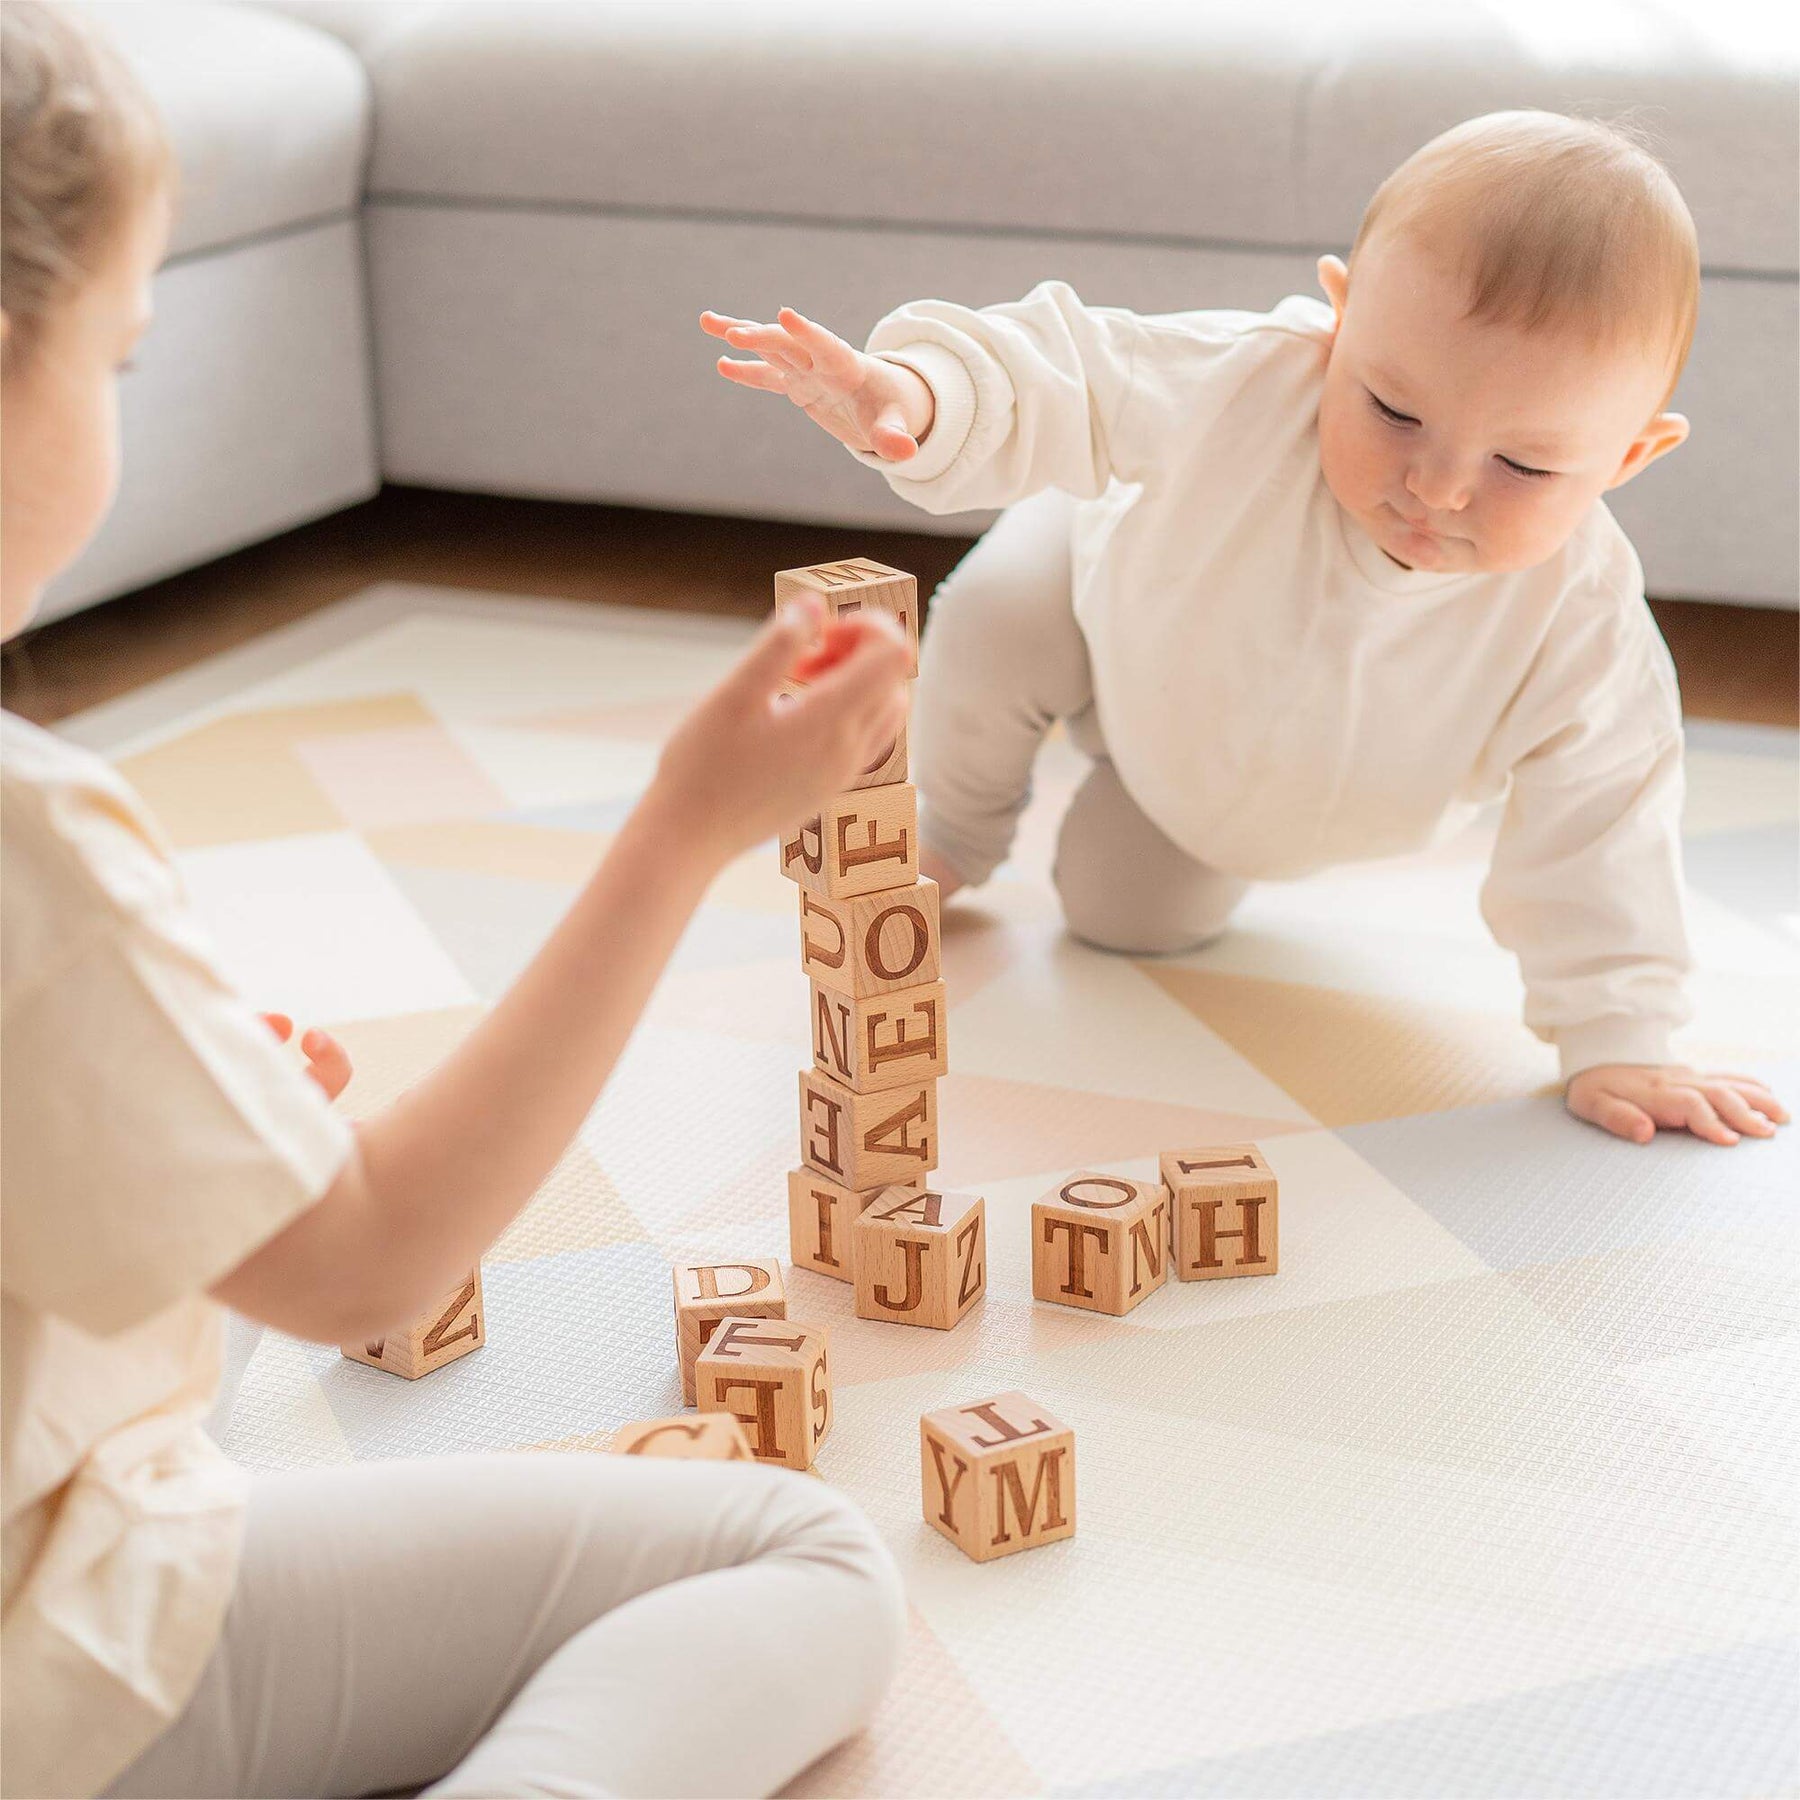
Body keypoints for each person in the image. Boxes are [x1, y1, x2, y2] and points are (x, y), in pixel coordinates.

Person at [0, 7, 909, 1795]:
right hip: (44, 1676)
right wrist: (683, 828)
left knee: (216, 1250)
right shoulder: (36, 840)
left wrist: (157, 1109)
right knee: (805, 1566)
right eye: (119, 354)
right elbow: (373, 1266)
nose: (124, 399)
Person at [703, 110, 1788, 1149]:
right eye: (1394, 411)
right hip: (1107, 597)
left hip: (1209, 776)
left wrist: (1618, 1036)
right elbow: (1077, 372)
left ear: (1629, 459)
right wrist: (925, 394)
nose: (1439, 486)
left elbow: (1606, 823)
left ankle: (1120, 765)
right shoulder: (1250, 381)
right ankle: (956, 830)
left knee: (1124, 917)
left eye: (1526, 465)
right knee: (998, 609)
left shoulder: (1583, 623)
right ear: (1339, 320)